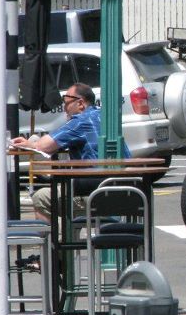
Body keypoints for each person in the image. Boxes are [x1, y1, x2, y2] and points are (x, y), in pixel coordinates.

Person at [11, 82, 131, 225]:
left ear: (80, 103)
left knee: (40, 197)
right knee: (68, 189)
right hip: (128, 192)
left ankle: (53, 244)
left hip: (97, 194)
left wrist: (29, 144)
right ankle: (68, 239)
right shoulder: (105, 117)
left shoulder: (81, 121)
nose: (64, 108)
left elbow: (45, 145)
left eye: (66, 103)